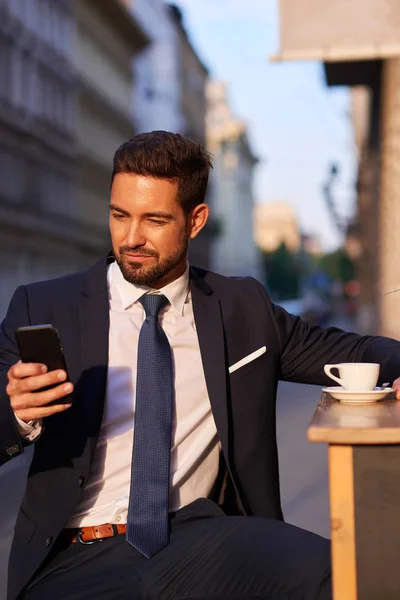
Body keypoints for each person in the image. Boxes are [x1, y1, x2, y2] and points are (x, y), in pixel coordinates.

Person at [2, 131, 400, 600]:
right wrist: (18, 413)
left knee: (356, 574)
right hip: (74, 555)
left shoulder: (242, 309)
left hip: (198, 539)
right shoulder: (45, 305)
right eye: (119, 215)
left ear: (195, 221)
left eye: (154, 220)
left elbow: (354, 353)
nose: (131, 238)